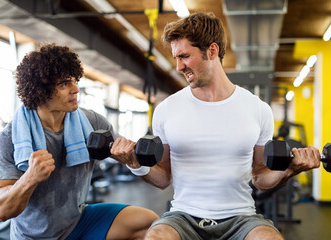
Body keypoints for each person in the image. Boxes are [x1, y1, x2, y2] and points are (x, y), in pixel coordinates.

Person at [124, 12, 322, 240]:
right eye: (176, 58)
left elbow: (260, 178)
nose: (179, 67)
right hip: (183, 217)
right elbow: (164, 178)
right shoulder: (166, 109)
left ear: (212, 50)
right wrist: (135, 164)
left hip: (241, 218)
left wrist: (288, 170)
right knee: (155, 237)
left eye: (185, 56)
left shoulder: (257, 109)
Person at [0, 43, 158, 240]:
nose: (75, 89)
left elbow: (123, 153)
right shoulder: (9, 139)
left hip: (77, 222)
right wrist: (30, 178)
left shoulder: (92, 123)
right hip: (34, 236)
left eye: (74, 81)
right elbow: (0, 211)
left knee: (148, 224)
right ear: (40, 90)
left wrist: (130, 157)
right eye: (64, 84)